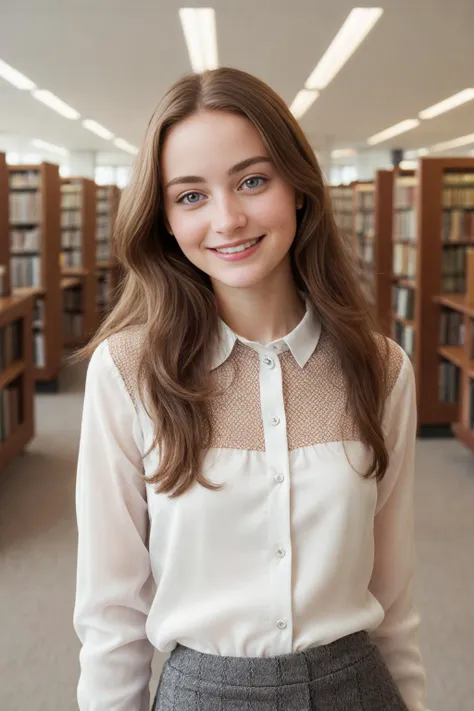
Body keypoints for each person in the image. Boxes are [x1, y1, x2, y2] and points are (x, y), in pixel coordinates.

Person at [73, 67, 428, 711]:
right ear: (166, 221)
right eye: (191, 196)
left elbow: (395, 604)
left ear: (298, 189)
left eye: (253, 181)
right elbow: (111, 616)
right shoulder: (127, 373)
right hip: (199, 695)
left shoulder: (380, 369)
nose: (228, 218)